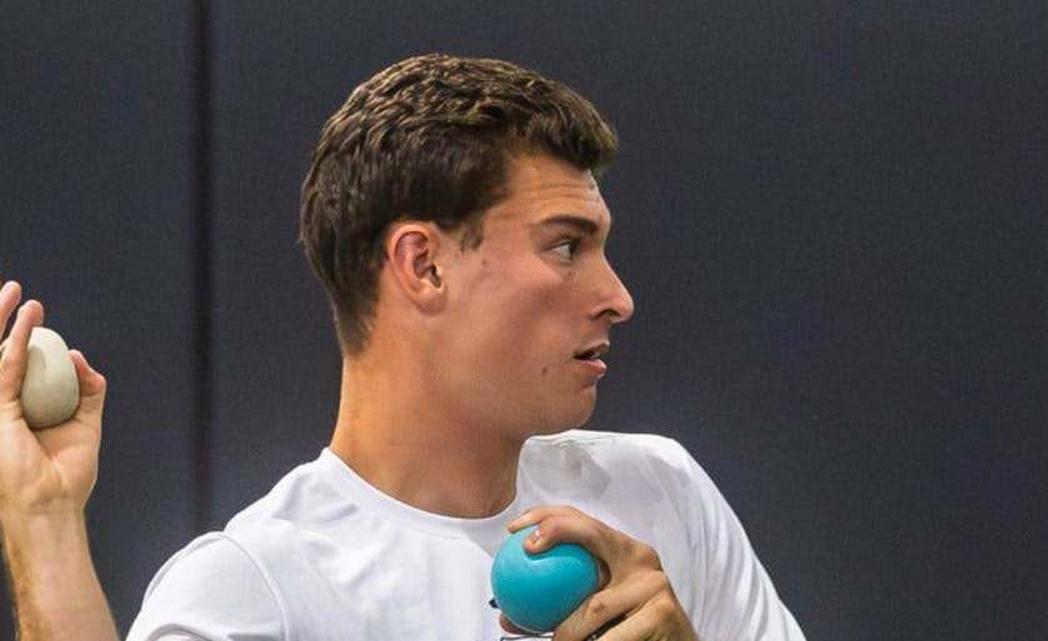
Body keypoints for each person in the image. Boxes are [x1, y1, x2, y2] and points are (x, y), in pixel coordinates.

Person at [0, 54, 805, 641]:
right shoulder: (257, 590)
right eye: (565, 246)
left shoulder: (660, 494)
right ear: (423, 264)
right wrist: (41, 520)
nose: (617, 297)